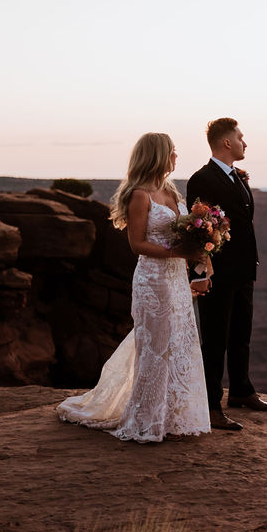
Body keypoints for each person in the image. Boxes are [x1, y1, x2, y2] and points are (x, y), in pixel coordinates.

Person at [56, 133, 212, 442]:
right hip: (153, 281)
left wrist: (202, 256)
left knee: (179, 344)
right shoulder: (140, 195)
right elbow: (137, 244)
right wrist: (180, 254)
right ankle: (145, 420)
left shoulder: (169, 190)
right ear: (158, 155)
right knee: (156, 348)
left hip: (176, 280)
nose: (176, 157)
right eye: (172, 152)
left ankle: (172, 418)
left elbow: (183, 237)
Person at [188, 117, 267, 431]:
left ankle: (241, 391)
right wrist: (200, 273)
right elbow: (197, 232)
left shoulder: (239, 177)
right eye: (240, 137)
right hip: (218, 273)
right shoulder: (201, 179)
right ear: (227, 142)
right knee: (215, 340)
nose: (244, 142)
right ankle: (211, 406)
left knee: (241, 334)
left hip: (243, 269)